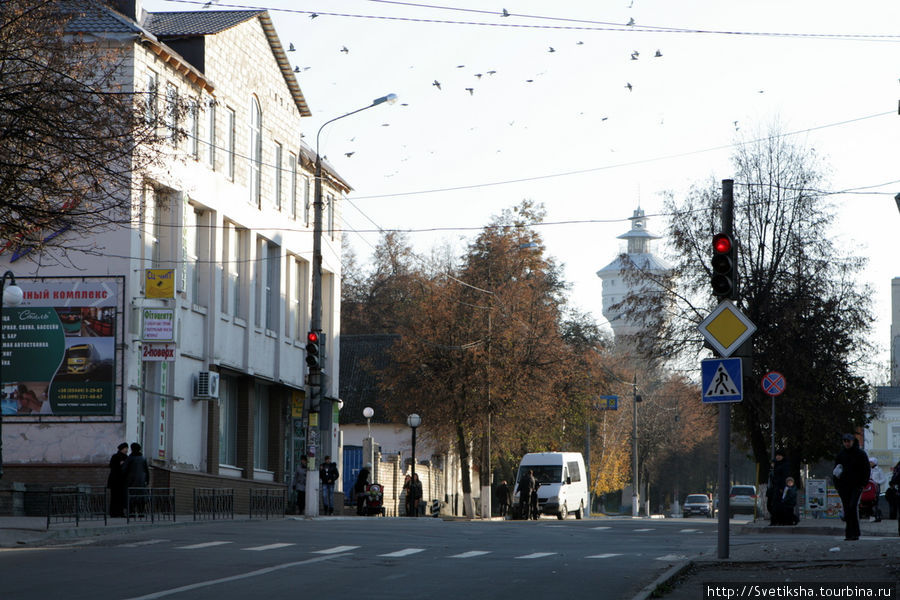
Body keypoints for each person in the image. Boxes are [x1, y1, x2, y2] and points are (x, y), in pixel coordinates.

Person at [833, 433, 870, 541]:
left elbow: (866, 469)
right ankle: (849, 533)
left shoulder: (860, 454)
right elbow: (836, 471)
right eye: (844, 441)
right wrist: (837, 485)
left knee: (852, 506)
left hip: (856, 485)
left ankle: (855, 532)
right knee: (847, 509)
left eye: (848, 441)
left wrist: (863, 483)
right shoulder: (841, 455)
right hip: (844, 486)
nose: (847, 443)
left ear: (853, 441)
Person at [123, 442, 150, 516]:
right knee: (141, 498)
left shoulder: (130, 458)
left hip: (131, 482)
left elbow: (124, 469)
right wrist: (147, 481)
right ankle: (141, 512)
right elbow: (147, 471)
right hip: (142, 482)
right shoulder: (143, 458)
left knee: (131, 498)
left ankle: (131, 513)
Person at [768, 449, 790, 525]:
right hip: (774, 487)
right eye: (777, 455)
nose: (778, 457)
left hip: (781, 488)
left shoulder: (785, 465)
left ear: (783, 456)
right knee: (771, 505)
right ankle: (775, 520)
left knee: (779, 505)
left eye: (779, 455)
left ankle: (780, 521)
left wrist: (782, 488)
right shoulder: (774, 464)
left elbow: (785, 477)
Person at [106, 442, 128, 518]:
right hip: (116, 480)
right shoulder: (115, 457)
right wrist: (120, 464)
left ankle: (119, 512)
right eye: (125, 448)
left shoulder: (126, 457)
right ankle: (114, 512)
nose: (127, 450)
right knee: (115, 497)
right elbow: (112, 466)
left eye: (127, 448)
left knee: (121, 497)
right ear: (122, 449)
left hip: (121, 481)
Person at [868, 456, 887, 522]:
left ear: (874, 462)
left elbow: (883, 479)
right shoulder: (868, 470)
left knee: (875, 501)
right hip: (869, 487)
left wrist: (877, 482)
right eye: (869, 462)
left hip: (876, 487)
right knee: (868, 501)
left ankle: (876, 515)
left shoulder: (879, 470)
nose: (870, 463)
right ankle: (871, 515)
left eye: (871, 462)